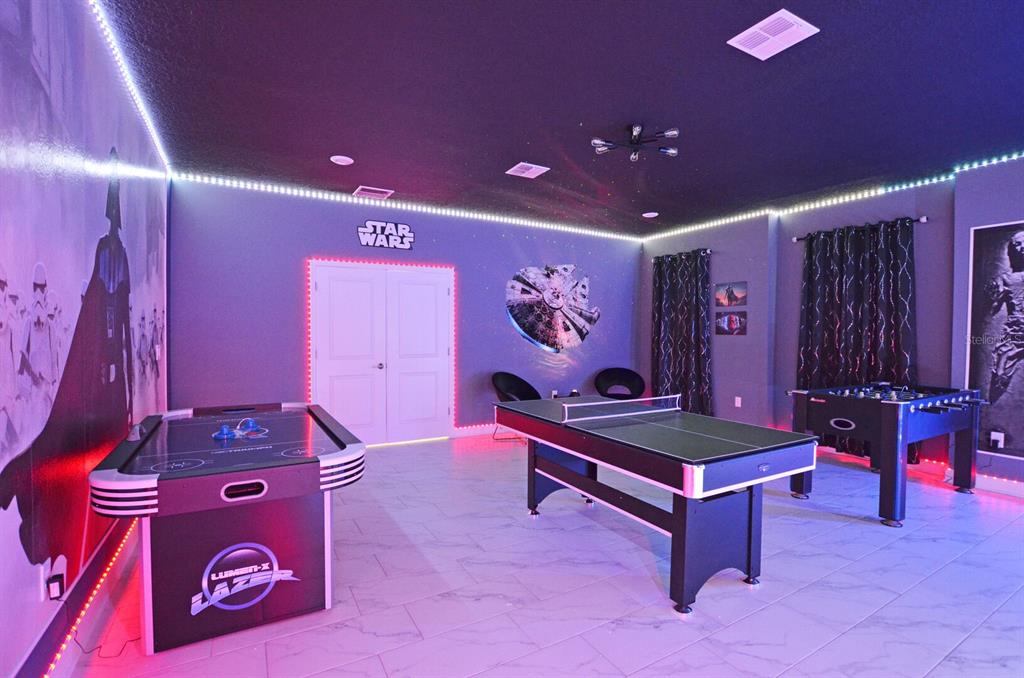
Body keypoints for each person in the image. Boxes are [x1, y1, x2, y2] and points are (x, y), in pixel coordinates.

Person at [987, 230, 1024, 403]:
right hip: (1017, 326)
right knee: (1001, 364)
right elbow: (993, 308)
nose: (1022, 247)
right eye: (1017, 244)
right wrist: (993, 294)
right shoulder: (1006, 278)